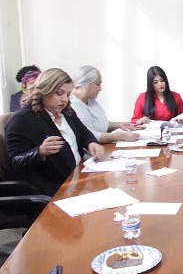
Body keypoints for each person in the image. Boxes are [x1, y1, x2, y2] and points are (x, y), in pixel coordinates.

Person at [5, 68, 104, 196]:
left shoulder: (66, 112)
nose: (64, 100)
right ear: (45, 90)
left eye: (68, 95)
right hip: (51, 188)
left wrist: (91, 143)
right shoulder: (22, 119)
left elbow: (84, 133)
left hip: (77, 178)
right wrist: (40, 152)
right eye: (59, 93)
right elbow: (15, 161)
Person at [71, 66, 140, 143]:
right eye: (98, 84)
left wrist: (118, 125)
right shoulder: (73, 105)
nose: (100, 88)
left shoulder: (90, 99)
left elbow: (100, 123)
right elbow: (89, 135)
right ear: (85, 84)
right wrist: (120, 136)